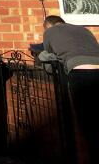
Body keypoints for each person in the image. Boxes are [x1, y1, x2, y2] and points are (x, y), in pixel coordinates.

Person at [42, 15, 99, 163]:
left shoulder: (50, 32)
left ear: (48, 25)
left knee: (86, 120)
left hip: (80, 71)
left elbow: (48, 54)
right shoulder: (83, 29)